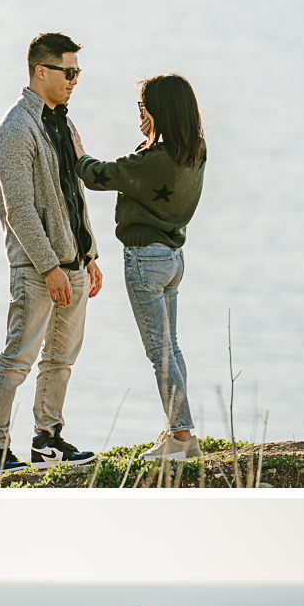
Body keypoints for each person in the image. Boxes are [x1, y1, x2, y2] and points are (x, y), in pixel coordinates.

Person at [0, 32, 104, 475]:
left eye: (77, 72)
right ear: (41, 71)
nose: (74, 80)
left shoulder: (63, 123)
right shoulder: (15, 129)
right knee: (18, 358)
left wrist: (88, 254)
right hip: (37, 268)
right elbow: (20, 210)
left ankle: (47, 440)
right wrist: (49, 266)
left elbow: (72, 196)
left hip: (72, 263)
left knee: (61, 359)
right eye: (68, 72)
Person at [72, 74, 206, 462]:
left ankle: (181, 437)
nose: (140, 115)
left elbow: (98, 174)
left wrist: (76, 150)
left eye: (143, 107)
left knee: (159, 353)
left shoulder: (154, 160)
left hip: (145, 260)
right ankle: (178, 429)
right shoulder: (195, 151)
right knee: (171, 348)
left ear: (159, 110)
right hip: (173, 258)